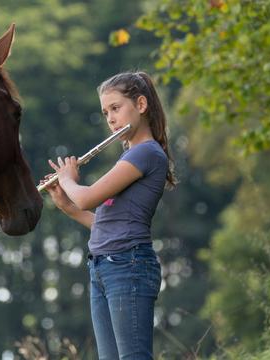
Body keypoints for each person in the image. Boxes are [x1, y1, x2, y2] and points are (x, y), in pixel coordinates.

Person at [40, 71, 176, 359]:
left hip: (129, 265)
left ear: (140, 105)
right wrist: (67, 206)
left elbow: (88, 196)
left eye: (116, 108)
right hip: (104, 267)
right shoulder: (128, 156)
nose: (110, 119)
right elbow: (105, 225)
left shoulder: (146, 153)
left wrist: (67, 179)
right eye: (105, 112)